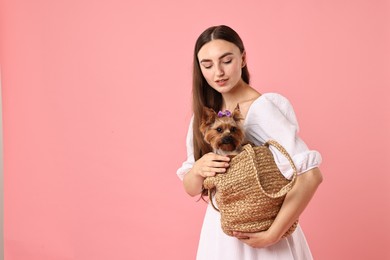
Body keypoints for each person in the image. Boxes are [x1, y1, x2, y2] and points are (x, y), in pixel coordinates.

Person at [176, 25, 323, 260]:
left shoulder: (262, 108)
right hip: (220, 234)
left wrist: (273, 234)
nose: (218, 73)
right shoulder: (202, 117)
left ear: (243, 59)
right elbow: (192, 188)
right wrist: (198, 169)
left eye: (226, 60)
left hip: (264, 234)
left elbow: (311, 176)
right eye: (207, 65)